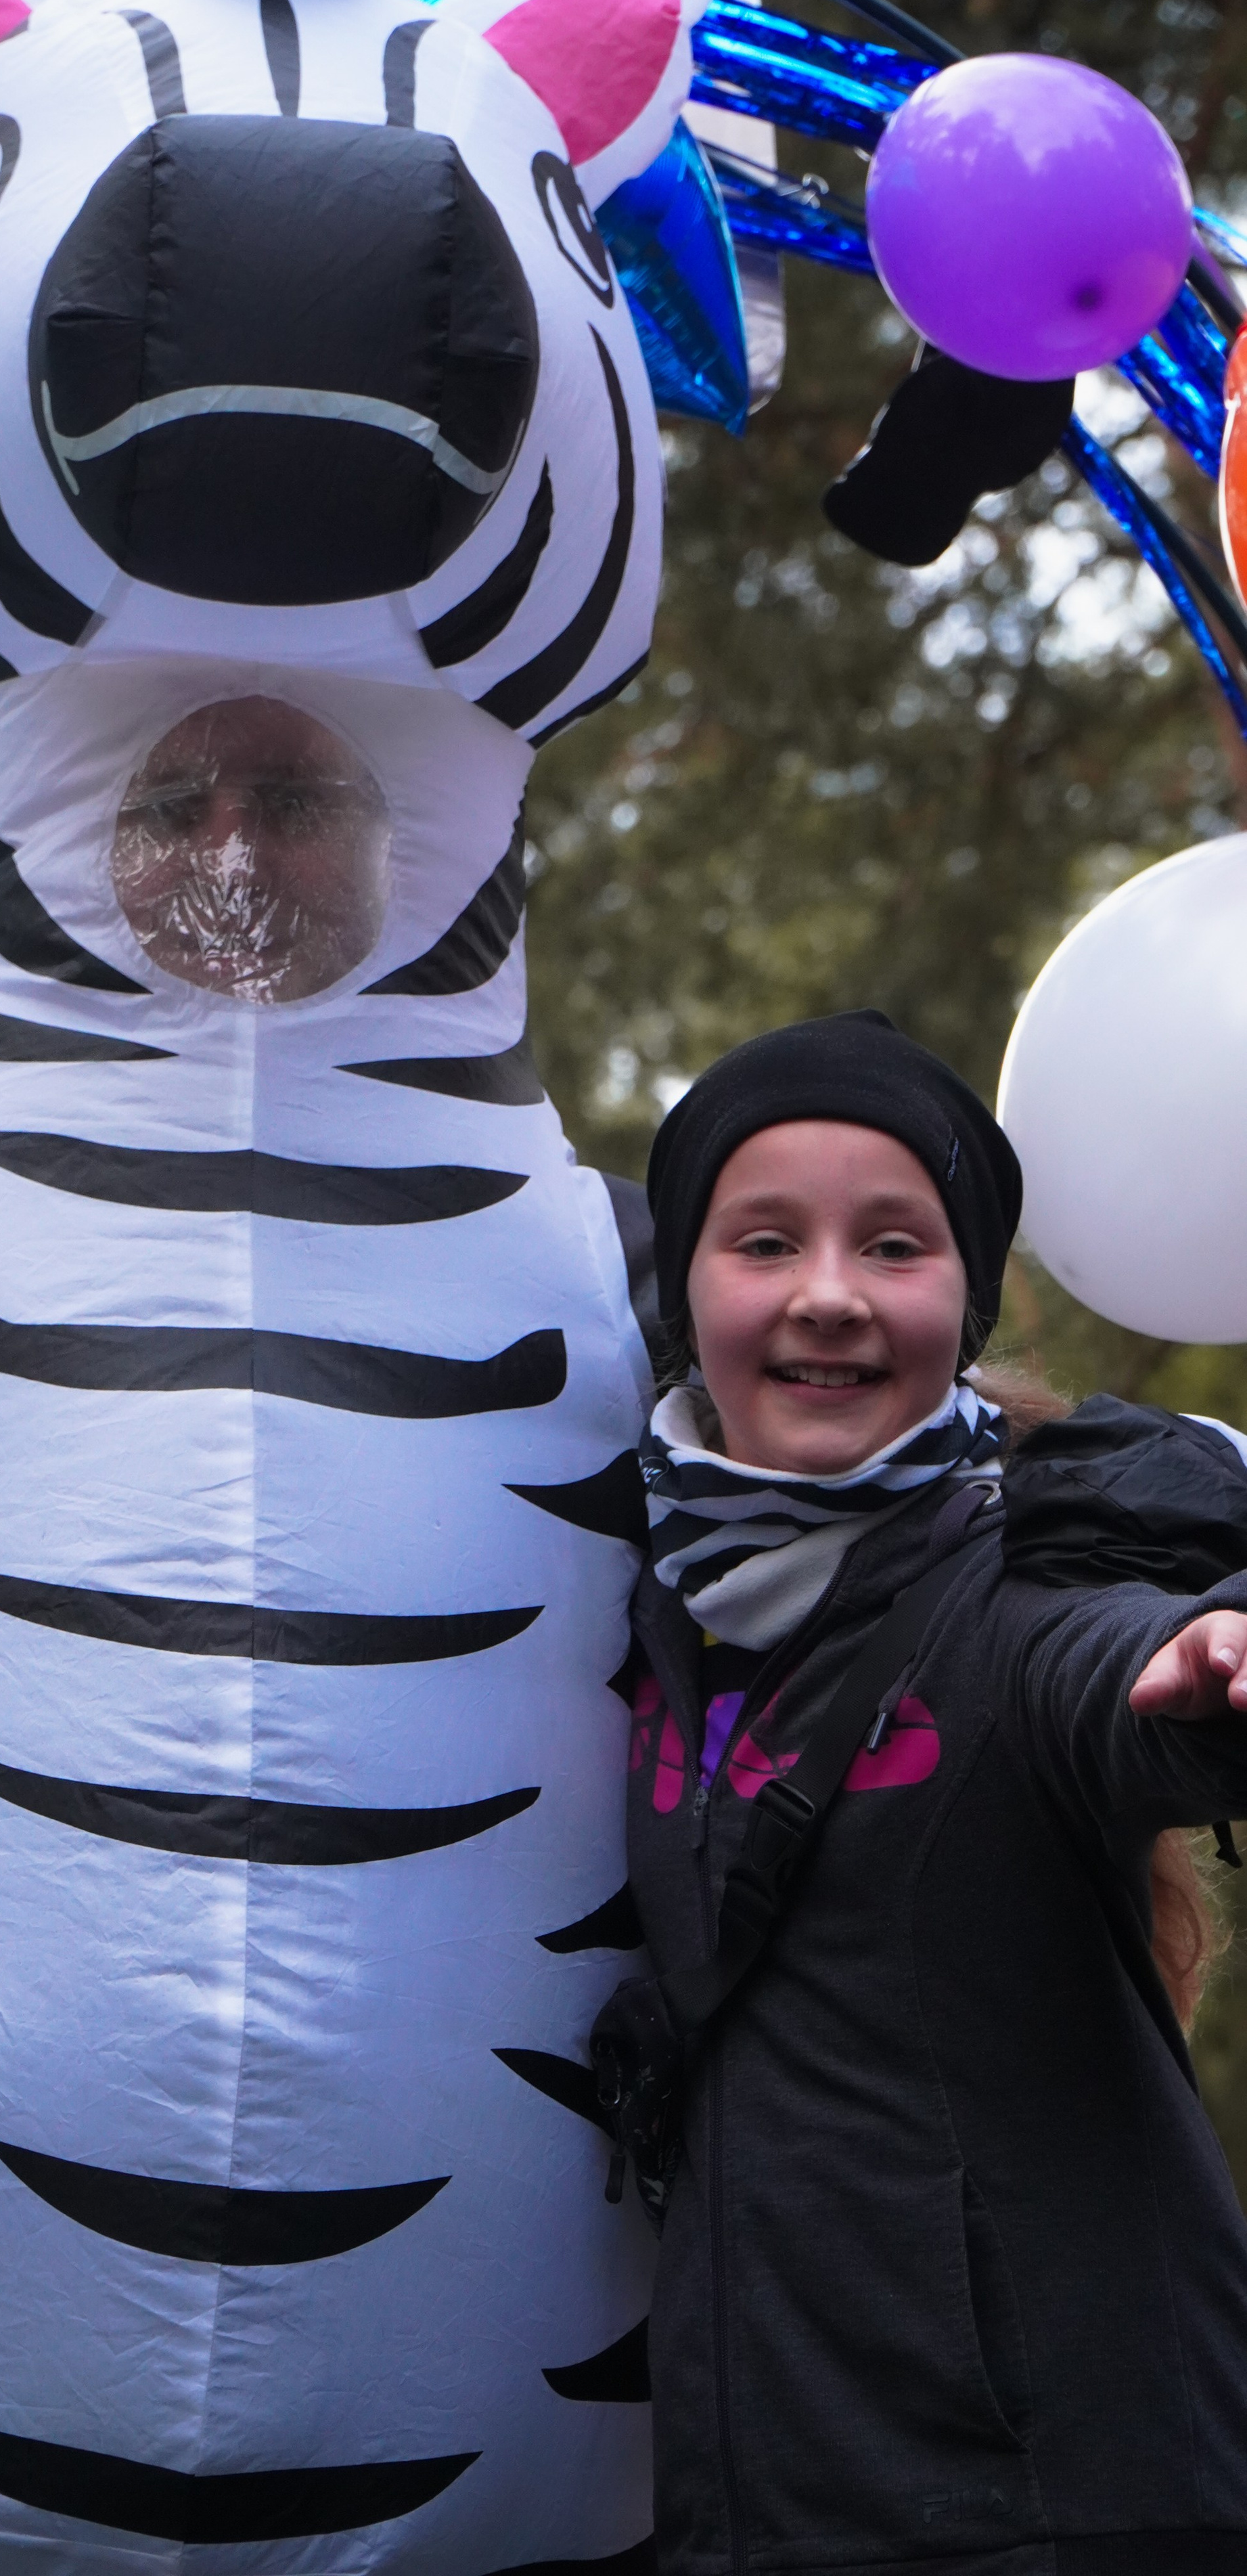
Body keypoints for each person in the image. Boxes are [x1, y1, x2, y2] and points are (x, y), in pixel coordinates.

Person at [604, 1006, 1247, 2576]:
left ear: (959, 1305)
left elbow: (1116, 1680)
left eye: (892, 1246)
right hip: (749, 2500)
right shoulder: (648, 1617)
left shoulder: (1026, 1595)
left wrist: (1201, 1673)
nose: (826, 1294)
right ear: (686, 1291)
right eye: (765, 1241)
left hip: (1071, 2504)